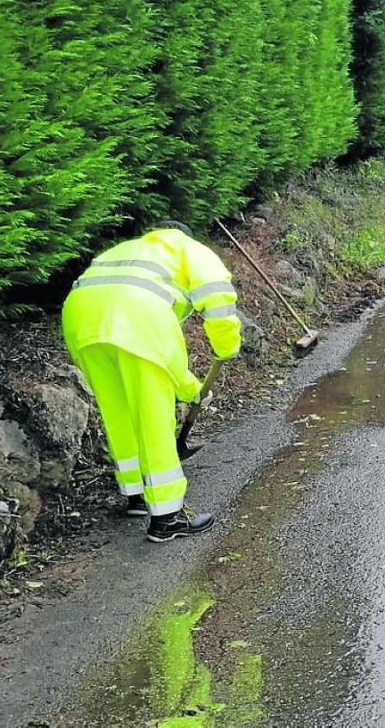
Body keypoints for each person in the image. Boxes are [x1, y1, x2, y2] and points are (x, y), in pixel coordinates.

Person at [62, 220, 242, 543]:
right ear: (181, 233)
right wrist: (224, 348)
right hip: (135, 316)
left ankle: (135, 495)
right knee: (152, 417)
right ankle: (167, 518)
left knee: (117, 413)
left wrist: (189, 387)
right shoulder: (187, 247)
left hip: (79, 319)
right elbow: (217, 294)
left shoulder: (128, 250)